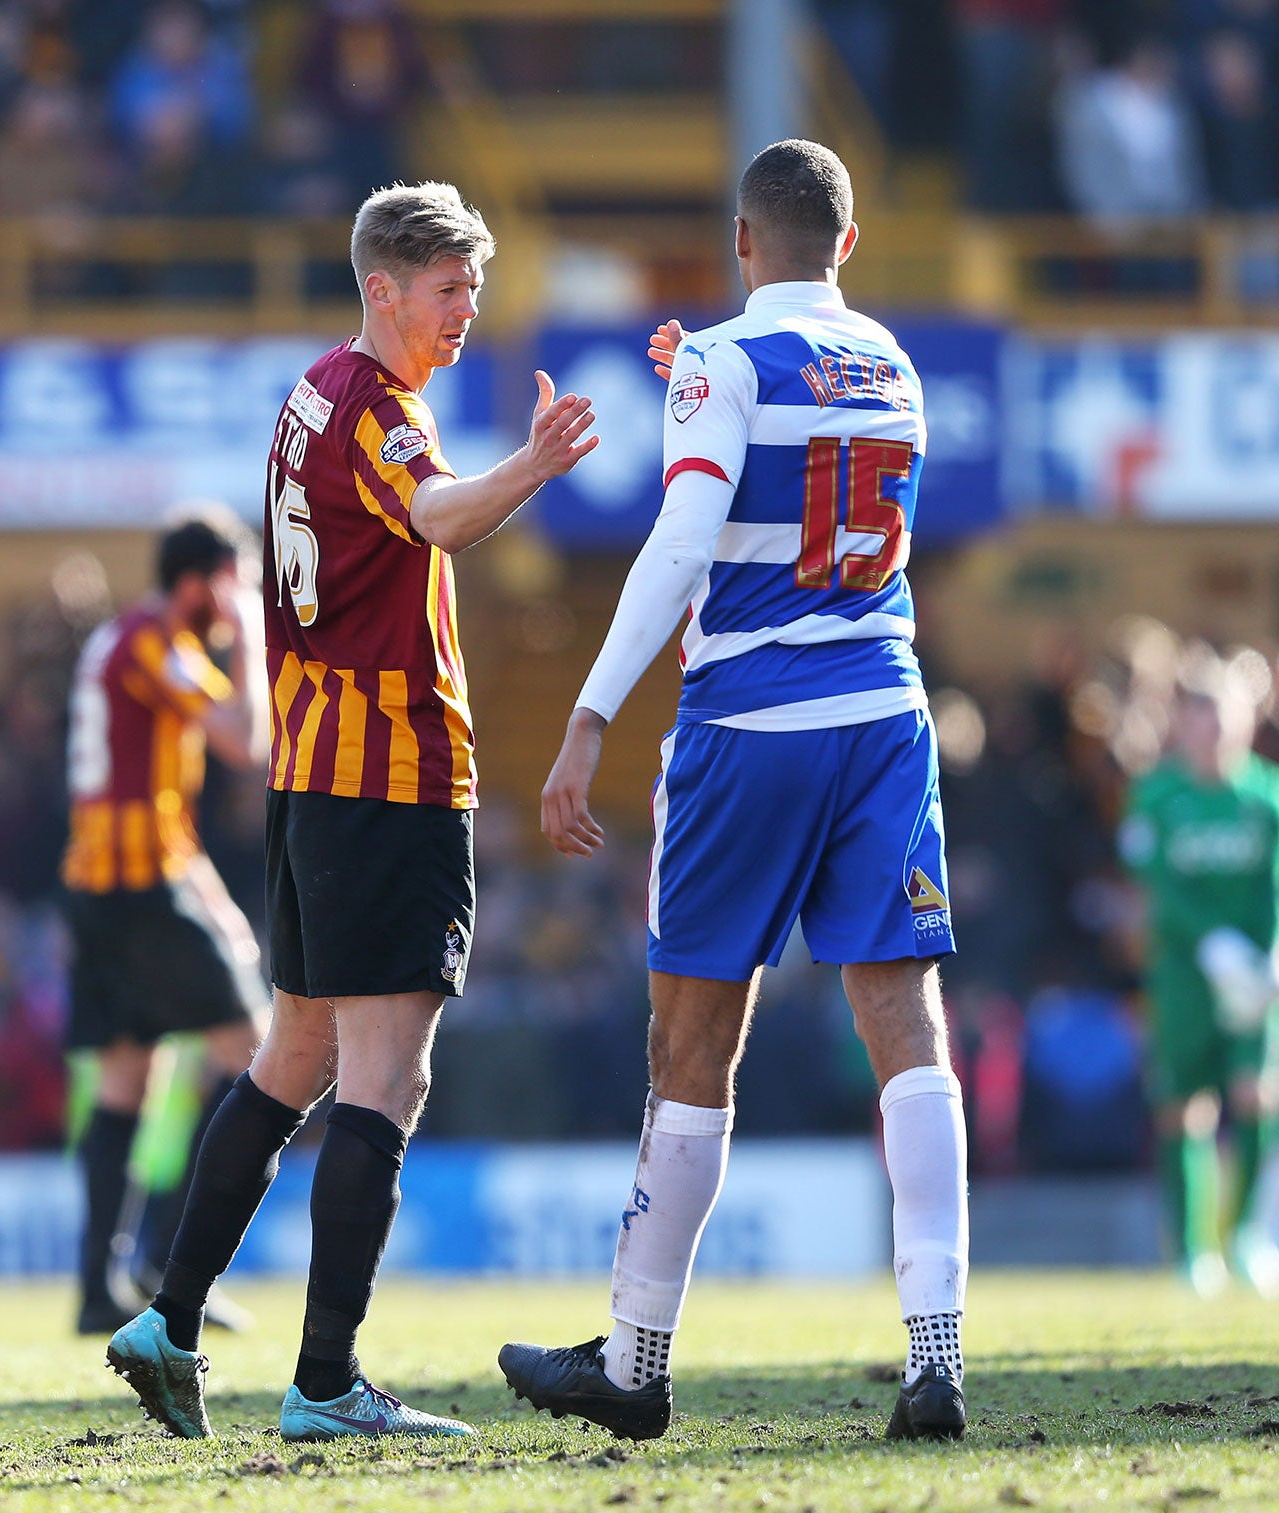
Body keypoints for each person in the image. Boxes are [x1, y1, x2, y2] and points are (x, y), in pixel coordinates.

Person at [106, 180, 598, 1442]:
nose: (466, 313)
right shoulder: (377, 411)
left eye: (474, 289)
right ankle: (325, 1383)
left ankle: (166, 1318)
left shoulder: (309, 388)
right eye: (447, 290)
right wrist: (534, 466)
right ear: (383, 288)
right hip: (386, 775)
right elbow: (435, 515)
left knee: (297, 1054)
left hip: (310, 777)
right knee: (390, 1071)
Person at [497, 141, 970, 1444]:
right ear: (850, 244)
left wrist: (587, 714)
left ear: (742, 242)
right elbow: (816, 480)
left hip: (749, 727)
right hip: (882, 714)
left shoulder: (719, 362)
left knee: (693, 1046)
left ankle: (637, 1364)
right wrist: (703, 383)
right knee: (907, 1031)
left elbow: (689, 538)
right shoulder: (896, 364)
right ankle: (937, 1357)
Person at [62, 509, 269, 1334]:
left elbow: (153, 794)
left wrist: (211, 897)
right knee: (256, 1056)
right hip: (142, 888)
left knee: (126, 1078)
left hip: (103, 884)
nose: (240, 600)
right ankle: (165, 1264)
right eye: (235, 583)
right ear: (199, 582)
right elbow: (245, 739)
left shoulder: (119, 640)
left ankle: (97, 1284)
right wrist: (251, 627)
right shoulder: (156, 641)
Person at [1120, 651, 1279, 1298]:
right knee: (1184, 1106)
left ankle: (1247, 1236)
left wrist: (1266, 956)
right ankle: (1192, 1252)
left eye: (1225, 712)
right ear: (1182, 722)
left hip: (1254, 973)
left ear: (1249, 718)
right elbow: (1155, 883)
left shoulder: (1264, 797)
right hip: (1184, 975)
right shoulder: (1157, 797)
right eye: (1201, 713)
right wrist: (1209, 942)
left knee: (1255, 1094)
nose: (1213, 727)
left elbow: (1273, 886)